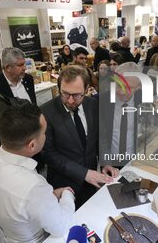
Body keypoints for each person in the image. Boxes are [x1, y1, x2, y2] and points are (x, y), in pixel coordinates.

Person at [0, 100, 75, 243]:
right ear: (32, 145)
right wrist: (67, 195)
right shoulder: (32, 186)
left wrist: (46, 197)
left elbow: (17, 205)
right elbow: (60, 226)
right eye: (44, 132)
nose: (46, 136)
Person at [41, 65, 119, 208]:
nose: (70, 101)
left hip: (90, 183)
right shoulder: (46, 112)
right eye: (65, 94)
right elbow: (49, 154)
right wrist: (84, 173)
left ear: (87, 89)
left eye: (77, 95)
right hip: (64, 186)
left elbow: (101, 138)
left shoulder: (93, 104)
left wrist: (106, 161)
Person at [99, 62, 142, 163]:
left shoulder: (145, 101)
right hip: (110, 162)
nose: (121, 91)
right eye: (119, 85)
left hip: (136, 161)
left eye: (128, 87)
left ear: (138, 86)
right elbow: (101, 137)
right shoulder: (102, 100)